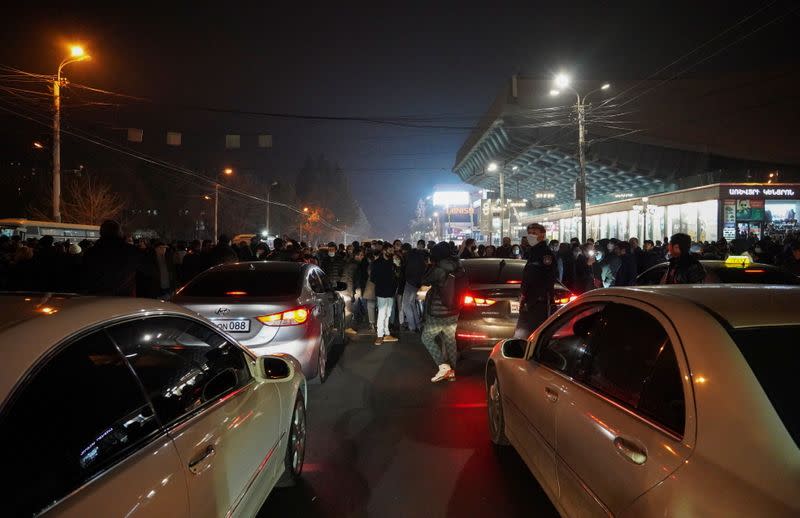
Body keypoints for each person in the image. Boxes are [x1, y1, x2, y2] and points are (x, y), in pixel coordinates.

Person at [421, 242, 461, 383]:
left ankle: (443, 367)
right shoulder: (458, 265)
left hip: (439, 310)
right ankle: (452, 372)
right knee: (450, 339)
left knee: (426, 338)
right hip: (454, 310)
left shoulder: (439, 269)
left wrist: (429, 265)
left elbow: (424, 280)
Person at [515, 223, 556, 339]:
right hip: (528, 301)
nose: (531, 236)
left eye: (534, 233)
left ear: (542, 235)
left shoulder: (545, 254)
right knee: (522, 336)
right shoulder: (532, 252)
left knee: (532, 335)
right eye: (529, 233)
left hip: (539, 303)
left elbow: (548, 279)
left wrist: (535, 298)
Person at [81, 220, 141, 296]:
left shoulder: (90, 253)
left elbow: (84, 277)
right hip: (125, 301)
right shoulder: (132, 251)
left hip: (97, 300)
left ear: (101, 233)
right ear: (120, 233)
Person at [370, 243, 399, 345]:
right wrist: (382, 281)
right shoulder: (377, 262)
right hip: (382, 291)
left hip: (391, 291)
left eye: (392, 250)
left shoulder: (393, 262)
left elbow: (398, 274)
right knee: (382, 313)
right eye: (389, 250)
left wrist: (397, 265)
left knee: (388, 313)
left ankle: (387, 333)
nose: (391, 252)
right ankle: (379, 335)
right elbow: (372, 278)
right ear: (384, 251)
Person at [402, 240, 427, 333]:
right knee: (412, 304)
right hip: (418, 283)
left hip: (410, 283)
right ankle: (418, 324)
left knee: (406, 305)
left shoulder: (411, 256)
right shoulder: (423, 255)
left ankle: (412, 326)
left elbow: (408, 270)